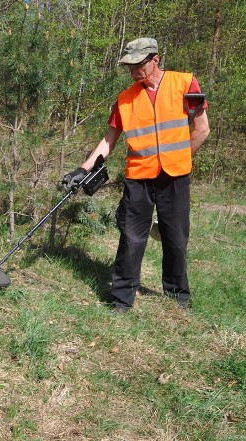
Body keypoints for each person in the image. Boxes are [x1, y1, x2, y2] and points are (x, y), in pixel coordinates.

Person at [62, 37, 210, 312]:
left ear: (155, 59)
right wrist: (83, 168)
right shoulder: (125, 99)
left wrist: (179, 158)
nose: (133, 72)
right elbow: (108, 141)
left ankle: (177, 296)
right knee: (131, 237)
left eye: (138, 65)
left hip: (175, 176)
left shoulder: (185, 83)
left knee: (176, 237)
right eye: (129, 66)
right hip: (138, 177)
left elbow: (202, 130)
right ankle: (121, 298)